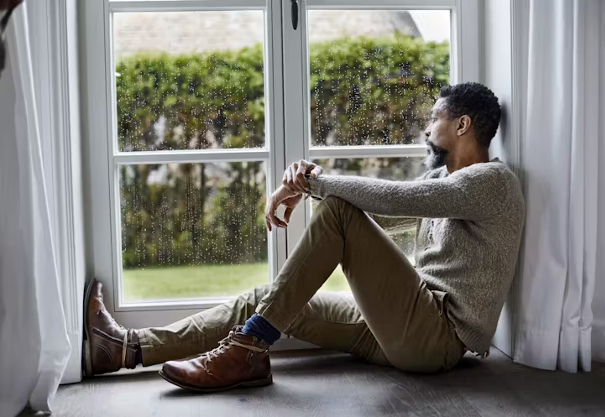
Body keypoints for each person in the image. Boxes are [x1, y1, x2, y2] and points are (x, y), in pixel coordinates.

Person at [83, 82, 525, 393]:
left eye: (434, 117)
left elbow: (398, 199)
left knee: (334, 212)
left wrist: (312, 185)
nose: (427, 128)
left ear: (463, 124)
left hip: (436, 338)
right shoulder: (442, 180)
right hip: (400, 326)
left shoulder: (491, 182)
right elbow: (378, 221)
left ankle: (246, 348)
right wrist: (309, 184)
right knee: (272, 298)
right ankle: (125, 348)